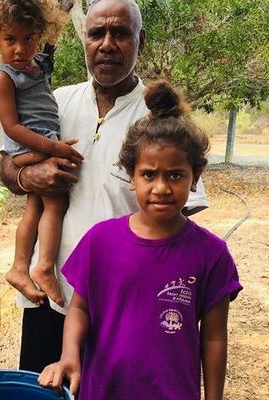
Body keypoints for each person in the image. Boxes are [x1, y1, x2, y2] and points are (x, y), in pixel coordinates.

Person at [0, 0, 209, 372]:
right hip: (49, 295)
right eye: (97, 33)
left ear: (140, 41)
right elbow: (6, 164)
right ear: (84, 41)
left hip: (125, 304)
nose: (107, 44)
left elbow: (182, 219)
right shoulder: (55, 100)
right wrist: (27, 176)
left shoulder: (160, 119)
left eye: (121, 34)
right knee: (45, 390)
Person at [38, 80, 243, 399]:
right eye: (149, 174)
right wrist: (69, 355)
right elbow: (79, 308)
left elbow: (214, 338)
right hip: (103, 390)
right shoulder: (100, 242)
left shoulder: (211, 254)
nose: (161, 187)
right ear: (131, 177)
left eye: (175, 175)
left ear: (195, 178)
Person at [0, 0, 79, 309]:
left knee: (35, 206)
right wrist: (53, 148)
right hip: (28, 147)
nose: (19, 48)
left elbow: (54, 39)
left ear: (39, 36)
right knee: (56, 202)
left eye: (28, 39)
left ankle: (20, 268)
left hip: (41, 144)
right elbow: (13, 127)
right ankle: (43, 266)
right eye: (10, 40)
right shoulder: (2, 76)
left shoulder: (38, 64)